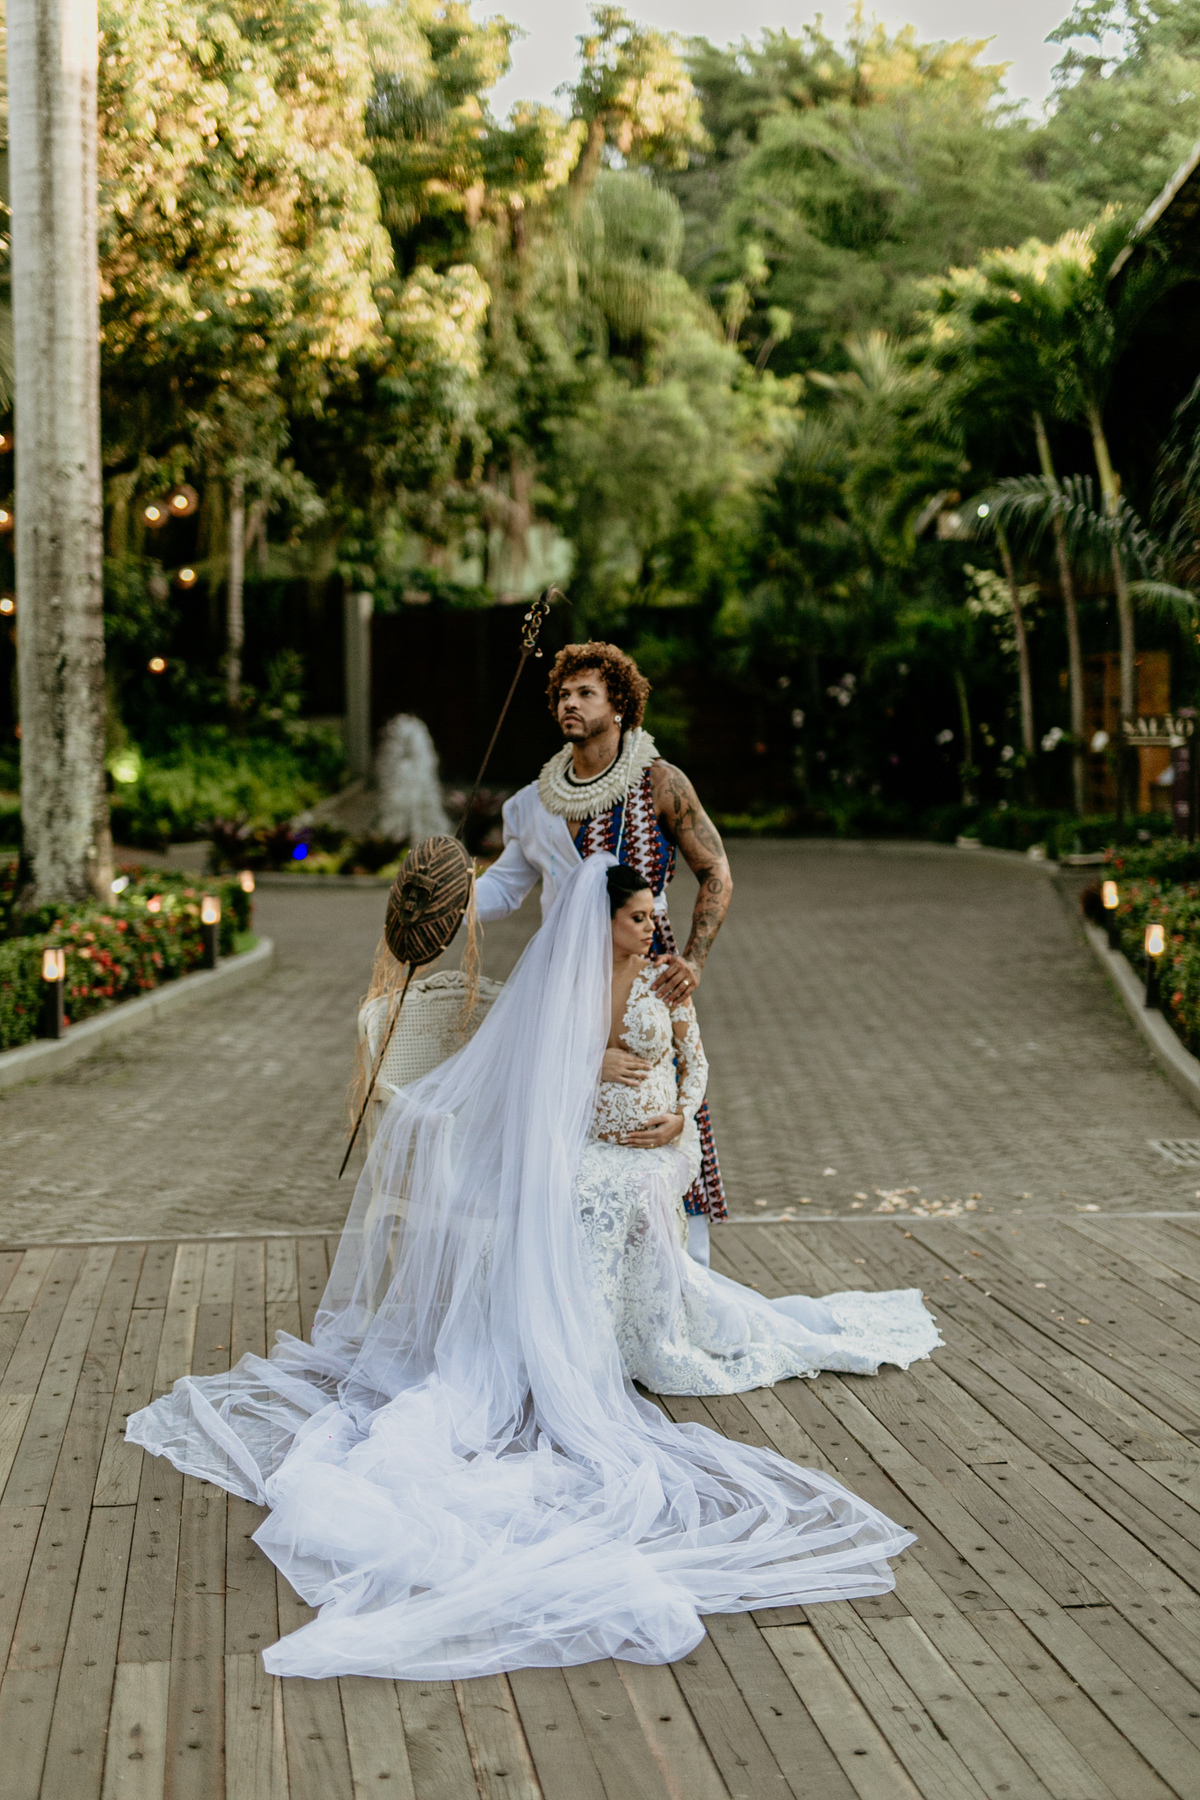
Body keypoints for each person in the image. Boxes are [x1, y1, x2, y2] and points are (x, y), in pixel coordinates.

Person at [127, 855, 939, 1683]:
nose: (651, 927)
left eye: (653, 915)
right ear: (602, 921)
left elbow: (695, 1065)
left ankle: (641, 1329)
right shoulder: (561, 990)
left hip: (656, 1147)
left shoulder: (665, 980)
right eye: (637, 916)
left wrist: (676, 1120)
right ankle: (565, 1337)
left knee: (629, 1188)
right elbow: (528, 1079)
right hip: (580, 1143)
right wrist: (592, 1066)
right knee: (575, 1189)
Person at [475, 641, 731, 1264]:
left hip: (648, 975)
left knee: (664, 1102)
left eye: (585, 693)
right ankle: (563, 1270)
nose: (570, 703)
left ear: (619, 706)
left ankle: (677, 1274)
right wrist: (444, 900)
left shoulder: (659, 782)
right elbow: (503, 890)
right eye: (563, 694)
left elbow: (717, 871)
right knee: (557, 1117)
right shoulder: (533, 802)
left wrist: (693, 959)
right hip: (564, 987)